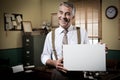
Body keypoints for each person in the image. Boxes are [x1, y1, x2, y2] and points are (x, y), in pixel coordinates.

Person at [41, 1, 89, 80]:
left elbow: (88, 53)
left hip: (77, 75)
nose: (63, 16)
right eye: (61, 12)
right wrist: (54, 62)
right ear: (57, 14)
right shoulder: (50, 35)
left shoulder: (82, 32)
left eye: (68, 13)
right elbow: (44, 56)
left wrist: (100, 50)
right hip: (57, 75)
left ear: (73, 17)